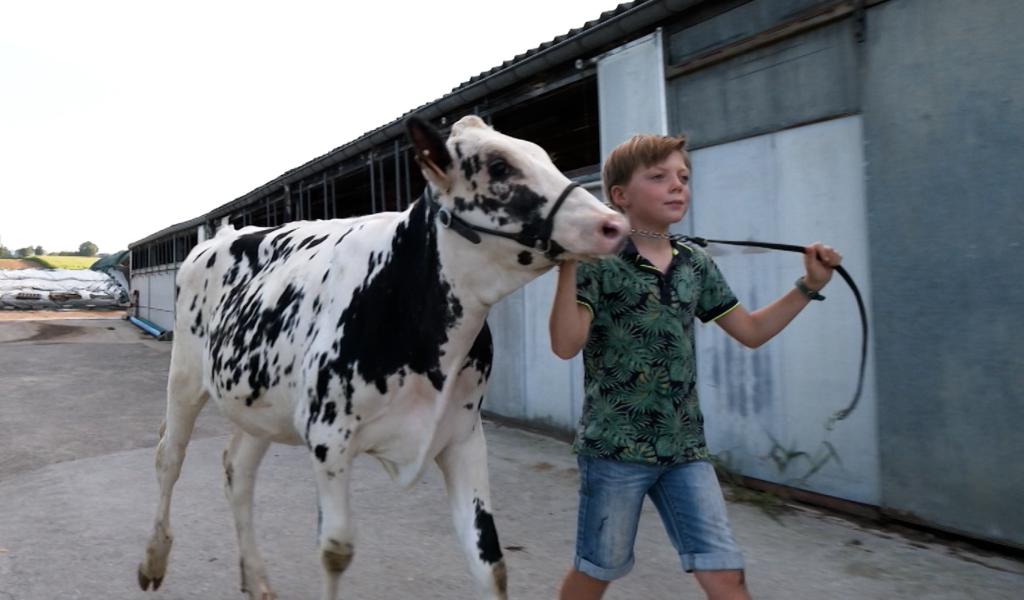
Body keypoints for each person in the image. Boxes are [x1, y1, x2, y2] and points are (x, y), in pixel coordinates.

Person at [549, 133, 842, 600]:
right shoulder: (597, 264)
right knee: (596, 571)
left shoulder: (696, 264)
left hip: (685, 450)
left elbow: (750, 332)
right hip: (614, 451)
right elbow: (565, 345)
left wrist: (808, 286)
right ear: (620, 195)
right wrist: (567, 263)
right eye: (659, 177)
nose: (677, 186)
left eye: (683, 177)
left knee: (724, 572)